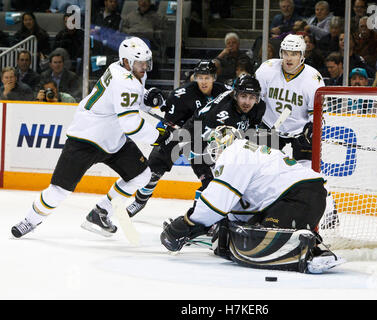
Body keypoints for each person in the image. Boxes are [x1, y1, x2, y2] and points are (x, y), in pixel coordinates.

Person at [10, 37, 170, 239]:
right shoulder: (125, 80)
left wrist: (147, 98)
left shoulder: (121, 68)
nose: (145, 67)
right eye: (140, 63)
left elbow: (126, 100)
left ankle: (100, 213)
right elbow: (131, 125)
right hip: (86, 138)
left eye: (146, 62)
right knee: (59, 190)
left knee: (141, 176)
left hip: (112, 138)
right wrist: (159, 136)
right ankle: (29, 220)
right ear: (127, 61)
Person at [160, 126, 345, 274]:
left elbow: (216, 203)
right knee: (235, 233)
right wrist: (198, 230)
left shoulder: (236, 151)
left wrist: (186, 223)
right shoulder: (252, 154)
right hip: (299, 196)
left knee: (251, 246)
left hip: (299, 195)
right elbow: (235, 216)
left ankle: (315, 251)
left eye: (216, 148)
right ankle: (305, 243)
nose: (215, 155)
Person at [126, 73, 265, 217]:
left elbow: (252, 129)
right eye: (243, 96)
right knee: (156, 165)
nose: (247, 102)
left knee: (212, 184)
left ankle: (195, 219)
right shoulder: (220, 114)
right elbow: (200, 141)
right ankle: (140, 200)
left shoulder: (259, 106)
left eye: (252, 97)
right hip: (193, 133)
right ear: (235, 95)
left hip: (213, 135)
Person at [255, 34, 325, 164]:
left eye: (294, 54)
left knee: (305, 171)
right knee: (261, 166)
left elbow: (317, 114)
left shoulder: (313, 79)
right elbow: (255, 100)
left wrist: (312, 129)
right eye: (286, 53)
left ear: (302, 55)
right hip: (271, 126)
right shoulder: (267, 69)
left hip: (300, 132)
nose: (289, 58)